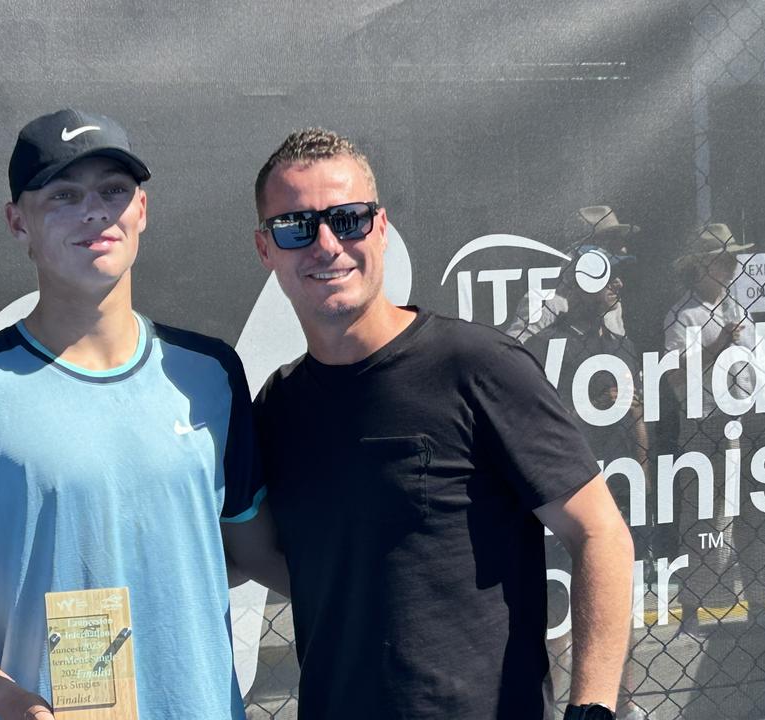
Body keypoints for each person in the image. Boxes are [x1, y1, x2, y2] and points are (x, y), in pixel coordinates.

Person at [0, 108, 285, 720]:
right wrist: (2, 696)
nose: (95, 211)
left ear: (141, 211)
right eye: (63, 195)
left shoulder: (209, 374)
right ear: (19, 223)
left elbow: (257, 552)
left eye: (113, 191)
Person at [251, 128, 634, 720]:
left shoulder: (478, 367)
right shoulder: (279, 405)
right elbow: (287, 556)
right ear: (266, 248)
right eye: (295, 226)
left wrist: (593, 709)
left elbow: (600, 534)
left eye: (348, 219)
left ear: (380, 227)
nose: (326, 244)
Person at [524, 245, 648, 720]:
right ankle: (554, 708)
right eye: (607, 276)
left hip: (615, 488)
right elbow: (533, 423)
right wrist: (586, 407)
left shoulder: (621, 345)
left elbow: (636, 414)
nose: (616, 283)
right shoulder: (543, 347)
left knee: (618, 595)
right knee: (558, 600)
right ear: (575, 286)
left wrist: (641, 463)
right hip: (560, 496)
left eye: (619, 276)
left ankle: (627, 704)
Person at [663, 224, 765, 635]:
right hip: (707, 425)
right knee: (705, 520)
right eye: (723, 260)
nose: (731, 267)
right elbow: (674, 373)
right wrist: (717, 347)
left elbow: (757, 366)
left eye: (733, 259)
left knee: (756, 515)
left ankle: (760, 604)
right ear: (701, 266)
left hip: (749, 421)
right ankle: (692, 610)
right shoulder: (683, 314)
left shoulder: (739, 309)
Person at [506, 206, 638, 341]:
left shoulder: (611, 303)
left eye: (619, 239)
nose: (622, 247)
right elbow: (514, 351)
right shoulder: (544, 300)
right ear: (580, 251)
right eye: (609, 240)